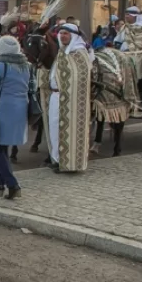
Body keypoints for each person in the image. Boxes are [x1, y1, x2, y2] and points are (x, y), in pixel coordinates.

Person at [0, 36, 31, 200]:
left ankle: (12, 184)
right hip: (21, 108)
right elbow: (34, 86)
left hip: (4, 109)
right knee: (4, 146)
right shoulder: (27, 65)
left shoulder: (0, 65)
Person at [44, 24, 93, 173]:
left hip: (71, 100)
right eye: (61, 34)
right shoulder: (62, 53)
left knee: (68, 130)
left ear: (73, 36)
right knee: (54, 129)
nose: (63, 36)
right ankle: (57, 160)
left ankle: (70, 163)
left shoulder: (80, 54)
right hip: (55, 97)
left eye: (66, 34)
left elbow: (80, 78)